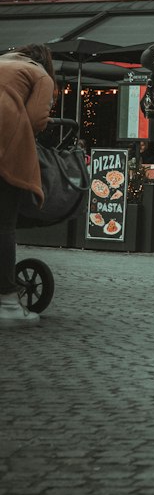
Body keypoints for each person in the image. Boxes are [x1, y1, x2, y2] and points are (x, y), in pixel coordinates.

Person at [0, 43, 56, 328]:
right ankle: (8, 302)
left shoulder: (3, 63)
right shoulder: (40, 75)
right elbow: (36, 120)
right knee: (4, 223)